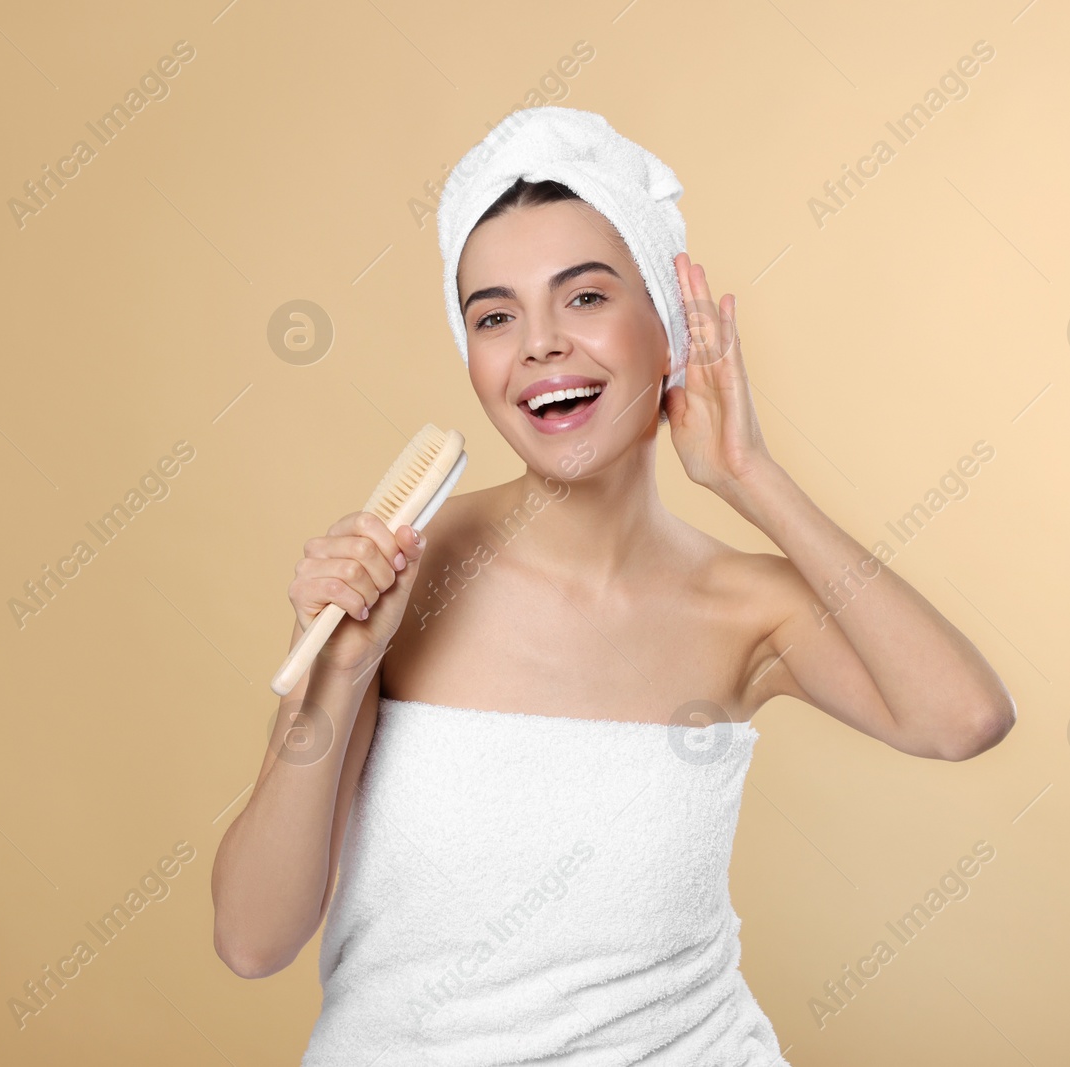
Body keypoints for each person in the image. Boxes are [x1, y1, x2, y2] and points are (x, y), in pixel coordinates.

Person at [211, 107, 1016, 1065]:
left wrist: (749, 474)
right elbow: (253, 938)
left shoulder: (748, 609)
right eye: (495, 316)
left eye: (584, 298)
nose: (541, 344)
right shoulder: (401, 578)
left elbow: (962, 718)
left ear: (667, 326)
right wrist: (340, 671)